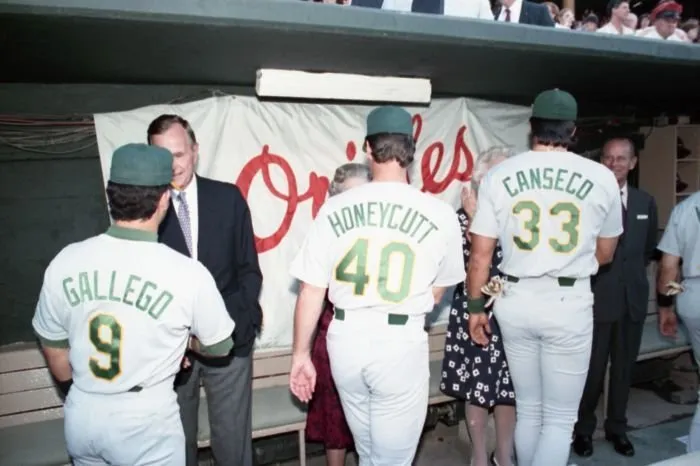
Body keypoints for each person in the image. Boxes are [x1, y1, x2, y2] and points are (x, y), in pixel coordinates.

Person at [31, 143, 235, 466]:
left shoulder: (65, 261)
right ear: (164, 198)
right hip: (145, 419)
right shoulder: (186, 272)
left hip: (83, 413)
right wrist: (183, 344)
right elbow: (221, 346)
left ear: (111, 194)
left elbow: (59, 363)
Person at [288, 105, 465, 466]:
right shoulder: (440, 212)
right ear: (411, 150)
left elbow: (310, 291)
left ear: (367, 149)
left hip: (345, 339)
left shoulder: (334, 208)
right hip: (399, 341)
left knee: (368, 452)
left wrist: (300, 356)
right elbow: (437, 291)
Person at [467, 89, 623, 466]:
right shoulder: (600, 175)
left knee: (530, 409)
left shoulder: (501, 173)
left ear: (531, 127)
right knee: (558, 420)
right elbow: (605, 254)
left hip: (516, 300)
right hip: (567, 301)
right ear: (573, 130)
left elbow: (480, 255)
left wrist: (475, 308)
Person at [148, 115, 263, 466]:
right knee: (175, 445)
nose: (173, 166)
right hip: (170, 348)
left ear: (195, 151)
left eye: (179, 154)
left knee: (232, 444)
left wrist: (240, 324)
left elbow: (249, 270)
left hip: (229, 341)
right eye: (162, 157)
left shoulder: (227, 198)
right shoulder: (146, 210)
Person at [573, 137, 658, 458]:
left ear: (633, 163)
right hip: (596, 302)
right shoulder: (586, 203)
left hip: (632, 302)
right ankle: (582, 431)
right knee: (591, 372)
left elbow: (647, 249)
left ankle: (617, 429)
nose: (614, 164)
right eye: (608, 158)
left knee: (623, 371)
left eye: (622, 159)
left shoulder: (644, 202)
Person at [440, 146, 516, 466]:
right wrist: (474, 217)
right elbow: (467, 266)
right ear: (478, 180)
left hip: (511, 313)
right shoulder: (458, 219)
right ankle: (480, 455)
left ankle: (505, 454)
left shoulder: (517, 218)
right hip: (476, 313)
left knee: (508, 388)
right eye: (493, 176)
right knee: (478, 386)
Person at [306, 163, 371, 466]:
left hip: (376, 336)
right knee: (336, 418)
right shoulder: (325, 233)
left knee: (375, 421)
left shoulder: (384, 235)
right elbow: (311, 293)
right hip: (334, 333)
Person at [656, 192, 700, 453]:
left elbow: (669, 267)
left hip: (693, 294)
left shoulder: (686, 207)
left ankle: (694, 453)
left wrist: (665, 308)